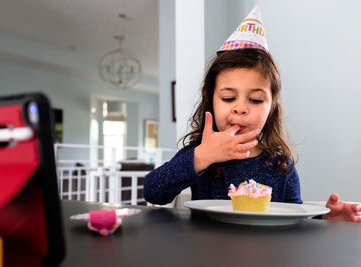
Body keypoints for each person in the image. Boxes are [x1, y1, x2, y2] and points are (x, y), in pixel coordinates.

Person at [143, 6, 361, 222]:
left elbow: (294, 219)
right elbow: (153, 192)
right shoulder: (201, 152)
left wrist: (328, 219)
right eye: (228, 98)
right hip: (206, 253)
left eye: (255, 100)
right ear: (210, 100)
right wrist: (203, 156)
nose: (240, 108)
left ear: (271, 107)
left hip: (266, 255)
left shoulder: (280, 165)